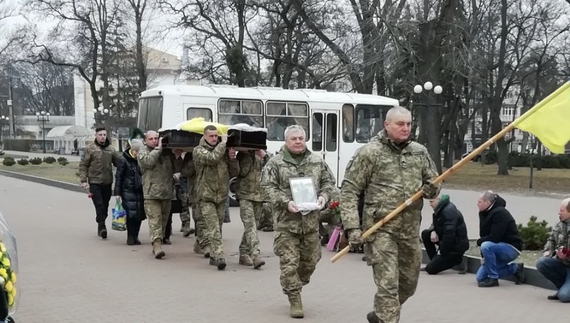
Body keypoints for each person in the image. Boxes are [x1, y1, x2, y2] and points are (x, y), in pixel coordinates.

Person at [339, 106, 441, 323]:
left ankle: (381, 314)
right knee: (388, 285)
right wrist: (352, 227)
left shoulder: (419, 152)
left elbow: (433, 182)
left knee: (408, 283)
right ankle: (387, 317)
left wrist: (433, 188)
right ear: (387, 125)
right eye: (400, 124)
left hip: (409, 230)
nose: (406, 128)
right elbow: (349, 191)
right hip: (380, 230)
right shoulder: (370, 153)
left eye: (409, 124)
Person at [261, 125, 336, 319]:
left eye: (301, 138)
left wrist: (324, 197)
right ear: (286, 141)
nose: (298, 141)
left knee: (311, 261)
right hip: (287, 224)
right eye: (294, 138)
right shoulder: (275, 163)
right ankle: (295, 298)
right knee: (289, 264)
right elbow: (267, 187)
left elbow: (329, 183)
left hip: (311, 224)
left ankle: (293, 284)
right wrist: (286, 202)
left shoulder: (317, 161)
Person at [193, 125, 240, 270]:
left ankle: (213, 255)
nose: (214, 139)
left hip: (221, 196)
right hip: (206, 196)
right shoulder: (198, 151)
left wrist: (232, 158)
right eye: (211, 136)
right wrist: (223, 144)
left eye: (216, 136)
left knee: (218, 228)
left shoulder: (222, 151)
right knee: (213, 228)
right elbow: (212, 158)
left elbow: (235, 172)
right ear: (205, 136)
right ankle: (219, 256)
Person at [137, 131, 178, 259]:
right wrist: (158, 148)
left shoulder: (167, 152)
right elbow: (148, 162)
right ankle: (157, 246)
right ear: (145, 140)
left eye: (156, 138)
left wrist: (177, 157)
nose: (154, 141)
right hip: (151, 194)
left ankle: (158, 243)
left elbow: (177, 168)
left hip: (166, 193)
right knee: (155, 221)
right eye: (151, 139)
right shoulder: (143, 152)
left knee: (163, 222)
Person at [475, 190, 525, 287]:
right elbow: (484, 235)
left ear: (487, 202)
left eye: (479, 202)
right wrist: (484, 256)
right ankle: (515, 269)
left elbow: (495, 237)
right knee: (480, 278)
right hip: (495, 247)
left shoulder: (500, 213)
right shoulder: (483, 212)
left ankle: (493, 278)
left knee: (486, 245)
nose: (477, 204)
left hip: (511, 247)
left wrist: (480, 242)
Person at [78, 127, 121, 239]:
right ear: (96, 135)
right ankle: (102, 226)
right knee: (99, 204)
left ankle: (101, 222)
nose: (102, 137)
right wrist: (83, 180)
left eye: (104, 135)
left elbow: (119, 163)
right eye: (100, 134)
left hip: (107, 182)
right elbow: (83, 165)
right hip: (94, 182)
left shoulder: (111, 149)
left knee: (105, 205)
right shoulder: (90, 149)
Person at [235, 149, 269, 269]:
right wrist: (248, 156)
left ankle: (243, 252)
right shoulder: (242, 155)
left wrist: (265, 156)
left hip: (259, 196)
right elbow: (241, 172)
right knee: (250, 225)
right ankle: (255, 254)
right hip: (245, 195)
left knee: (254, 225)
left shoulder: (264, 155)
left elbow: (273, 169)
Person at [421, 194, 469, 275]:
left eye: (431, 202)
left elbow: (449, 234)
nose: (430, 205)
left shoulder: (448, 211)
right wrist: (432, 230)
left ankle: (458, 260)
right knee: (426, 234)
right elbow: (436, 224)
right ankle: (435, 261)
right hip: (448, 242)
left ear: (439, 200)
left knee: (430, 270)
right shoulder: (440, 209)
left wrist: (441, 251)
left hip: (456, 247)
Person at [535, 197, 570, 302]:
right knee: (542, 262)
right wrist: (548, 251)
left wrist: (568, 256)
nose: (559, 213)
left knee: (564, 297)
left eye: (562, 210)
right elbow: (551, 240)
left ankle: (565, 292)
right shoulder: (560, 224)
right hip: (563, 264)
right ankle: (563, 288)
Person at [113, 139, 146, 245]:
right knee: (131, 215)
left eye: (139, 151)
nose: (137, 153)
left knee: (139, 215)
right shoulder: (124, 160)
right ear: (132, 149)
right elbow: (119, 177)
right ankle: (130, 236)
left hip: (140, 190)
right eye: (136, 151)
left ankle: (136, 236)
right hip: (128, 190)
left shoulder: (142, 159)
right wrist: (117, 193)